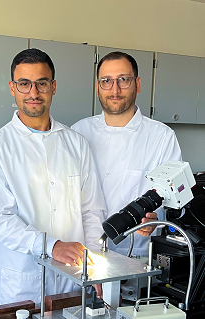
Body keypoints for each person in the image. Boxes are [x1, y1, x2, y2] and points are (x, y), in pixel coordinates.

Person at [0, 48, 106, 312]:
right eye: (24, 84)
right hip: (19, 279)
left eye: (42, 83)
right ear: (13, 88)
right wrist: (51, 246)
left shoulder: (76, 144)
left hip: (72, 277)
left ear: (53, 87)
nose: (33, 93)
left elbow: (92, 210)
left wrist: (93, 265)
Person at [72, 51, 182, 257]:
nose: (115, 89)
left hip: (136, 255)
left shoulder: (161, 136)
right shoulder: (78, 132)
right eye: (106, 81)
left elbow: (172, 198)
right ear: (97, 87)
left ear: (138, 84)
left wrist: (154, 219)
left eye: (123, 80)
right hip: (84, 252)